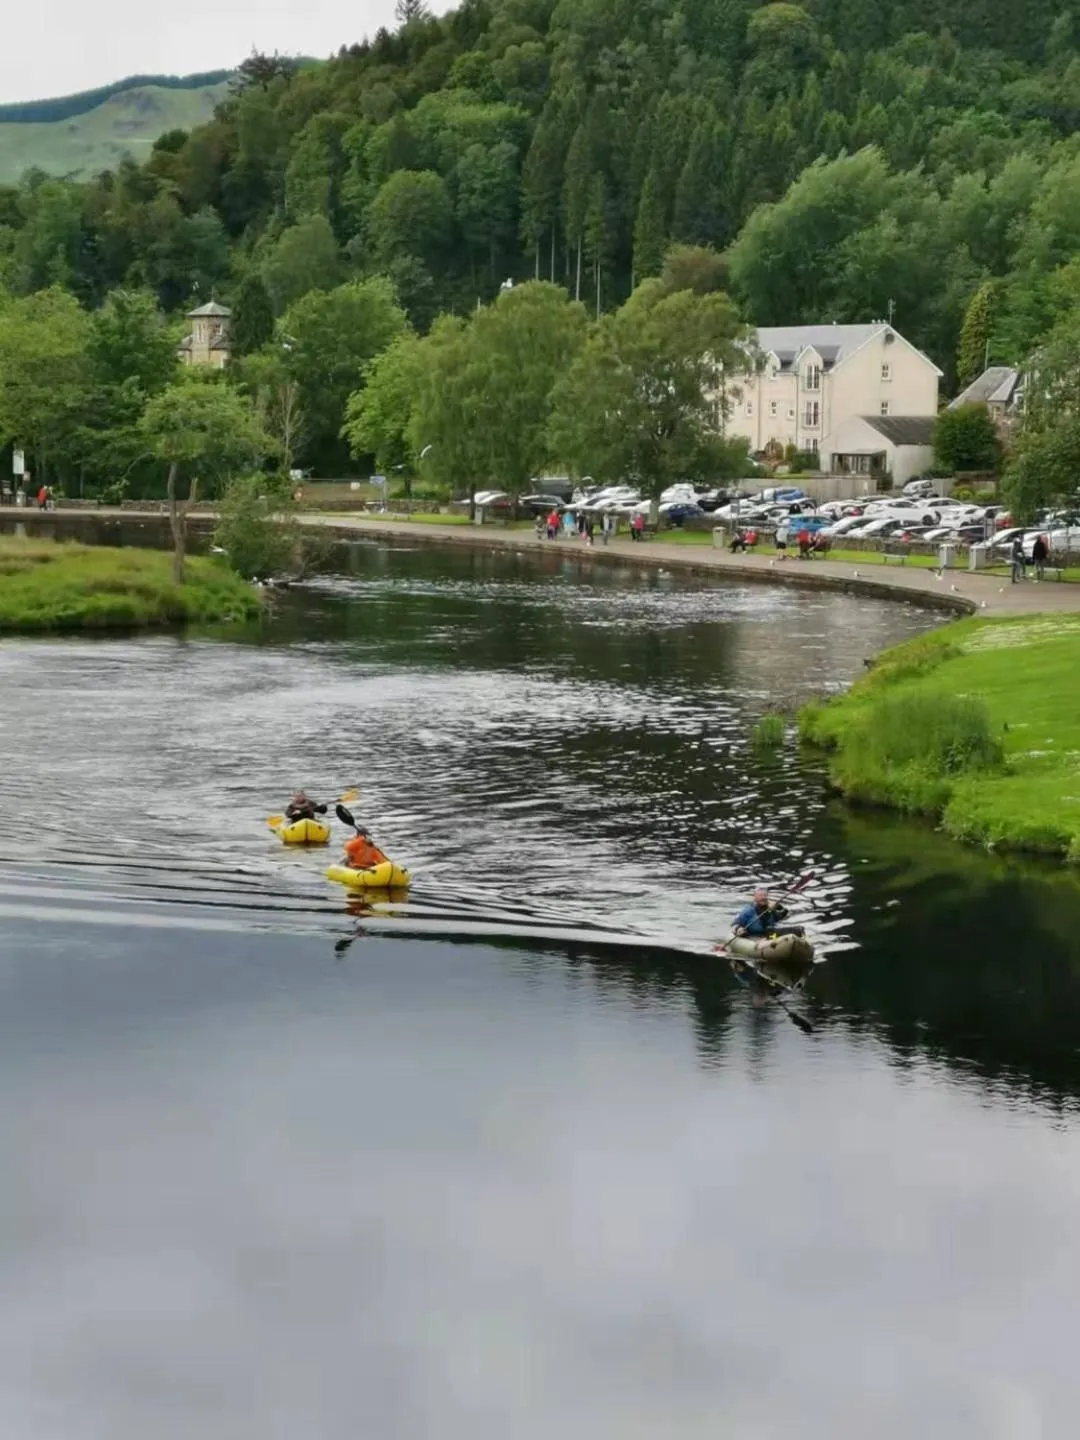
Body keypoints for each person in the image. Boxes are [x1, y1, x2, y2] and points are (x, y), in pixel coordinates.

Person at [732, 887, 804, 939]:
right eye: (760, 895)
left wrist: (778, 906)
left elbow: (783, 914)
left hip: (770, 934)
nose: (763, 897)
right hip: (752, 936)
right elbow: (736, 923)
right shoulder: (748, 910)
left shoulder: (770, 908)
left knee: (799, 929)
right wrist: (738, 929)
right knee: (770, 930)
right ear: (755, 897)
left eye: (765, 895)